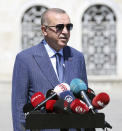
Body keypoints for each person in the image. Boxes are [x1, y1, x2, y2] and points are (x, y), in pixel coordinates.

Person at [12, 8, 88, 131]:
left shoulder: (77, 57)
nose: (65, 31)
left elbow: (84, 97)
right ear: (44, 30)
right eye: (59, 27)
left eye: (69, 27)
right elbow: (19, 106)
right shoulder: (25, 59)